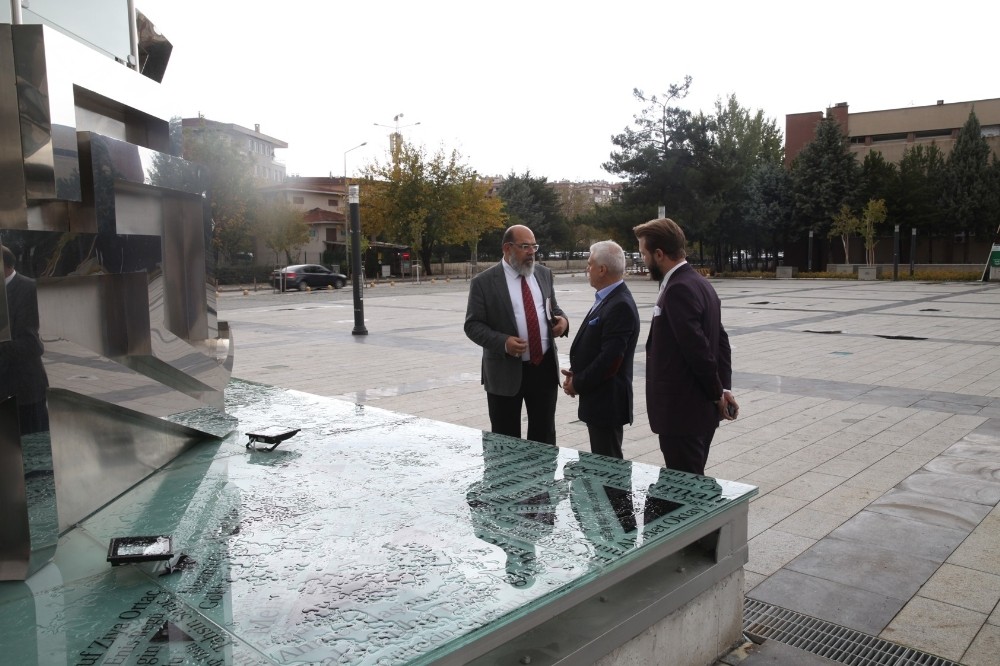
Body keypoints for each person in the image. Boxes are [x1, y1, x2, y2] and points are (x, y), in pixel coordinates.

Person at [633, 219, 737, 475]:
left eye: (644, 254)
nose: (643, 260)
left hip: (683, 415)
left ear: (659, 254)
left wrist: (717, 394)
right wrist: (723, 388)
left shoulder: (679, 288)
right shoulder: (700, 283)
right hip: (696, 413)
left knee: (687, 489)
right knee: (691, 481)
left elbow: (698, 352)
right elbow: (721, 342)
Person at [465, 225, 569, 444]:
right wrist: (503, 342)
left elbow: (554, 310)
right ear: (507, 248)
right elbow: (472, 325)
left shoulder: (543, 274)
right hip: (505, 371)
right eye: (525, 246)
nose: (532, 252)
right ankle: (506, 479)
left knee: (544, 435)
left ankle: (543, 478)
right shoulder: (484, 282)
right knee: (505, 439)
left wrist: (563, 322)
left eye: (534, 246)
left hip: (543, 369)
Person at [561, 240, 640, 459]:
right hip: (598, 398)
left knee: (609, 467)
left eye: (590, 264)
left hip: (607, 402)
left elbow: (610, 360)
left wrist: (578, 382)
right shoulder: (607, 298)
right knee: (603, 462)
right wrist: (577, 372)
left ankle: (616, 496)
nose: (587, 269)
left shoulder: (620, 304)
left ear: (602, 269)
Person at [0, 245, 49, 434]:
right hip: (4, 391)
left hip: (25, 391)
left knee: (35, 455)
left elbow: (32, 345)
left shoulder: (28, 288)